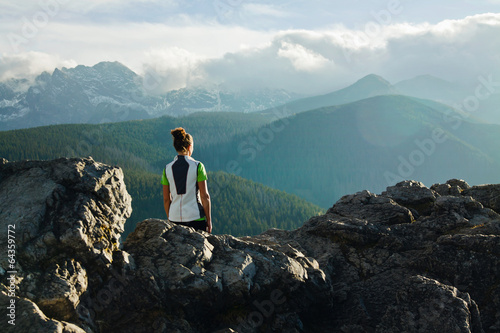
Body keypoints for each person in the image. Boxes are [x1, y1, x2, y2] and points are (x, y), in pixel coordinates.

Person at [161, 127, 212, 233]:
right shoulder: (198, 166)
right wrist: (209, 220)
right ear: (189, 147)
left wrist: (170, 218)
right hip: (196, 218)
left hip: (174, 218)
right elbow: (204, 196)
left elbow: (166, 199)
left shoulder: (167, 169)